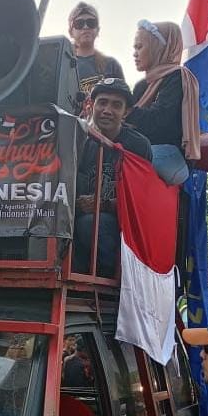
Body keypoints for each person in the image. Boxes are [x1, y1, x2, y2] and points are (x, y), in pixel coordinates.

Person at [74, 78, 152, 275]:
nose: (107, 110)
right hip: (84, 217)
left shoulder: (137, 145)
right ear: (91, 106)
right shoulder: (83, 142)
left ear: (126, 112)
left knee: (89, 224)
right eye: (102, 102)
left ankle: (112, 280)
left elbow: (141, 202)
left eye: (116, 105)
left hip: (121, 227)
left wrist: (103, 204)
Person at [125, 20, 200, 186]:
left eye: (139, 47)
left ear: (158, 48)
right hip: (146, 150)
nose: (134, 54)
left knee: (121, 157)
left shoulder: (177, 77)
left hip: (170, 155)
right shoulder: (141, 86)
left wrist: (123, 111)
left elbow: (160, 121)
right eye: (134, 48)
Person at [67, 3, 124, 106]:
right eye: (79, 23)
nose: (85, 27)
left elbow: (122, 103)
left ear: (98, 30)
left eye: (91, 22)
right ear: (71, 32)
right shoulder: (64, 65)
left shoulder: (111, 65)